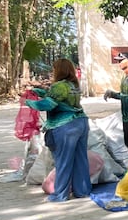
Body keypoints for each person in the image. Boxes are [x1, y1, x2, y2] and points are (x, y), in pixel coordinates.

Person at [25, 58, 92, 203]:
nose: (52, 72)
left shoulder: (59, 86)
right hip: (81, 123)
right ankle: (82, 191)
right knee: (80, 159)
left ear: (59, 70)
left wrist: (29, 102)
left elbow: (48, 104)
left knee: (63, 161)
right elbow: (57, 97)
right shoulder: (74, 85)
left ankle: (60, 195)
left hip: (65, 126)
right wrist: (40, 91)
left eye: (54, 69)